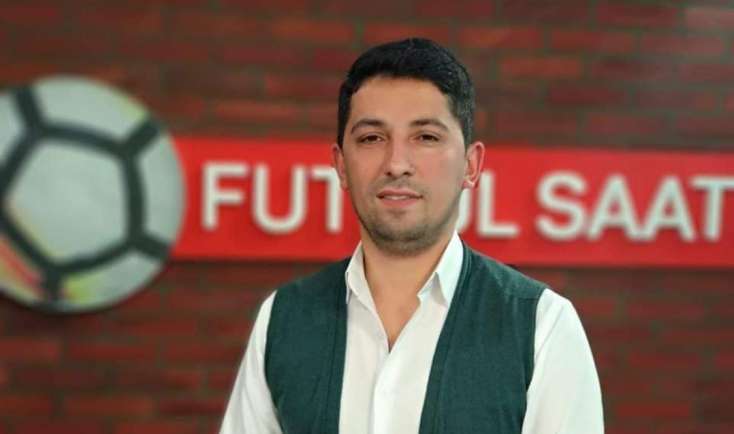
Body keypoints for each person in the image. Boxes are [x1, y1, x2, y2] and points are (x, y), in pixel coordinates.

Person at [220, 38, 604, 434]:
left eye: (426, 137)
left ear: (471, 165)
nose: (397, 164)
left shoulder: (541, 326)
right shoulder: (283, 319)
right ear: (341, 165)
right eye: (372, 138)